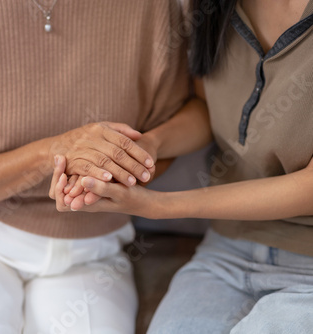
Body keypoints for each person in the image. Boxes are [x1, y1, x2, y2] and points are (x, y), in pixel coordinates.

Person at [0, 0, 193, 332]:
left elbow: (165, 138)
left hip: (92, 250)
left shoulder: (153, 8)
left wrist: (112, 174)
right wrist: (52, 154)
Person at [51, 0, 313, 333]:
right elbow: (209, 107)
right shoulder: (211, 7)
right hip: (228, 249)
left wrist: (161, 206)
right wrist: (145, 147)